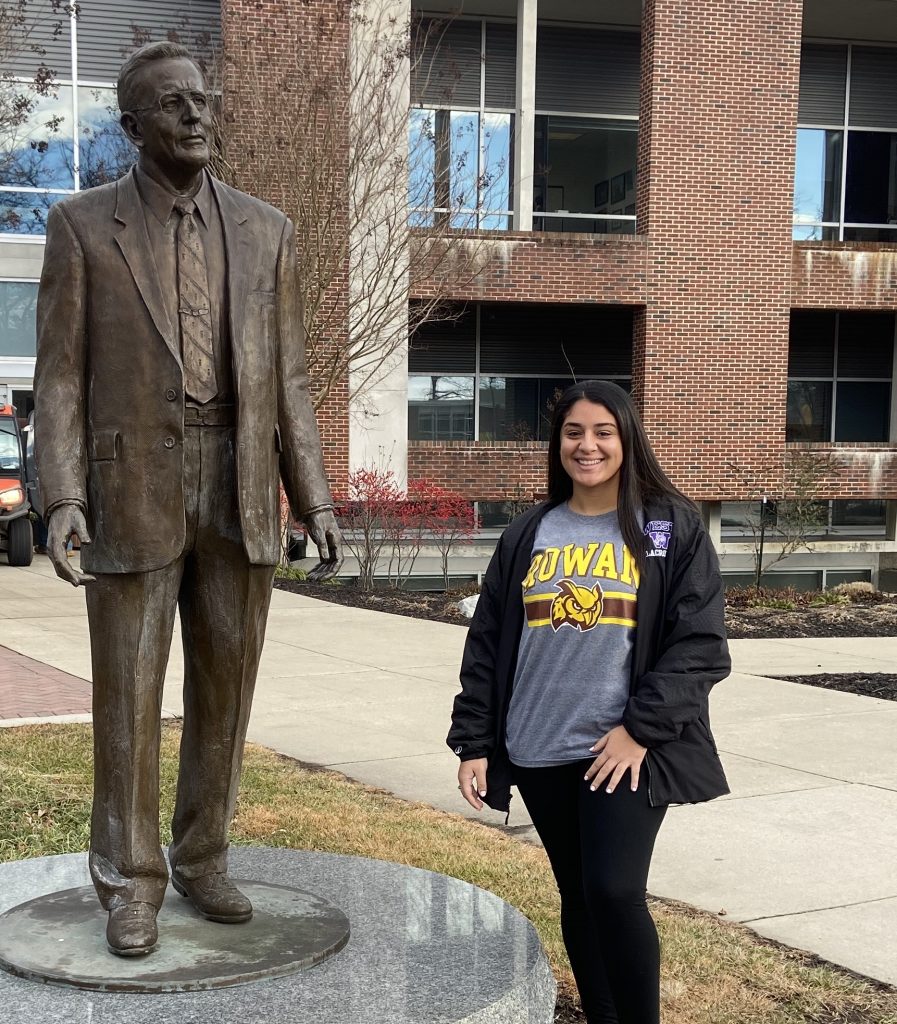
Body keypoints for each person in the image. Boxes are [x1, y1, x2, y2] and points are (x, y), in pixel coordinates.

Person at [34, 41, 342, 957]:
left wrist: (313, 496)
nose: (197, 115)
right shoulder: (83, 226)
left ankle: (203, 855)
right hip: (131, 487)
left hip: (241, 484)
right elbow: (58, 382)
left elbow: (289, 378)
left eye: (203, 100)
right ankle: (130, 879)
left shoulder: (266, 229)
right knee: (127, 695)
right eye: (174, 105)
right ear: (133, 125)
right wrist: (60, 498)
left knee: (226, 689)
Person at [448, 379, 730, 1024]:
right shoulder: (530, 532)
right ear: (558, 443)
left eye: (604, 432)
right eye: (574, 432)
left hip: (621, 747)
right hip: (538, 739)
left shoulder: (669, 527)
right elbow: (488, 640)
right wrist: (476, 741)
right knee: (577, 896)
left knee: (614, 891)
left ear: (628, 441)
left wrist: (640, 730)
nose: (588, 445)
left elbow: (699, 645)